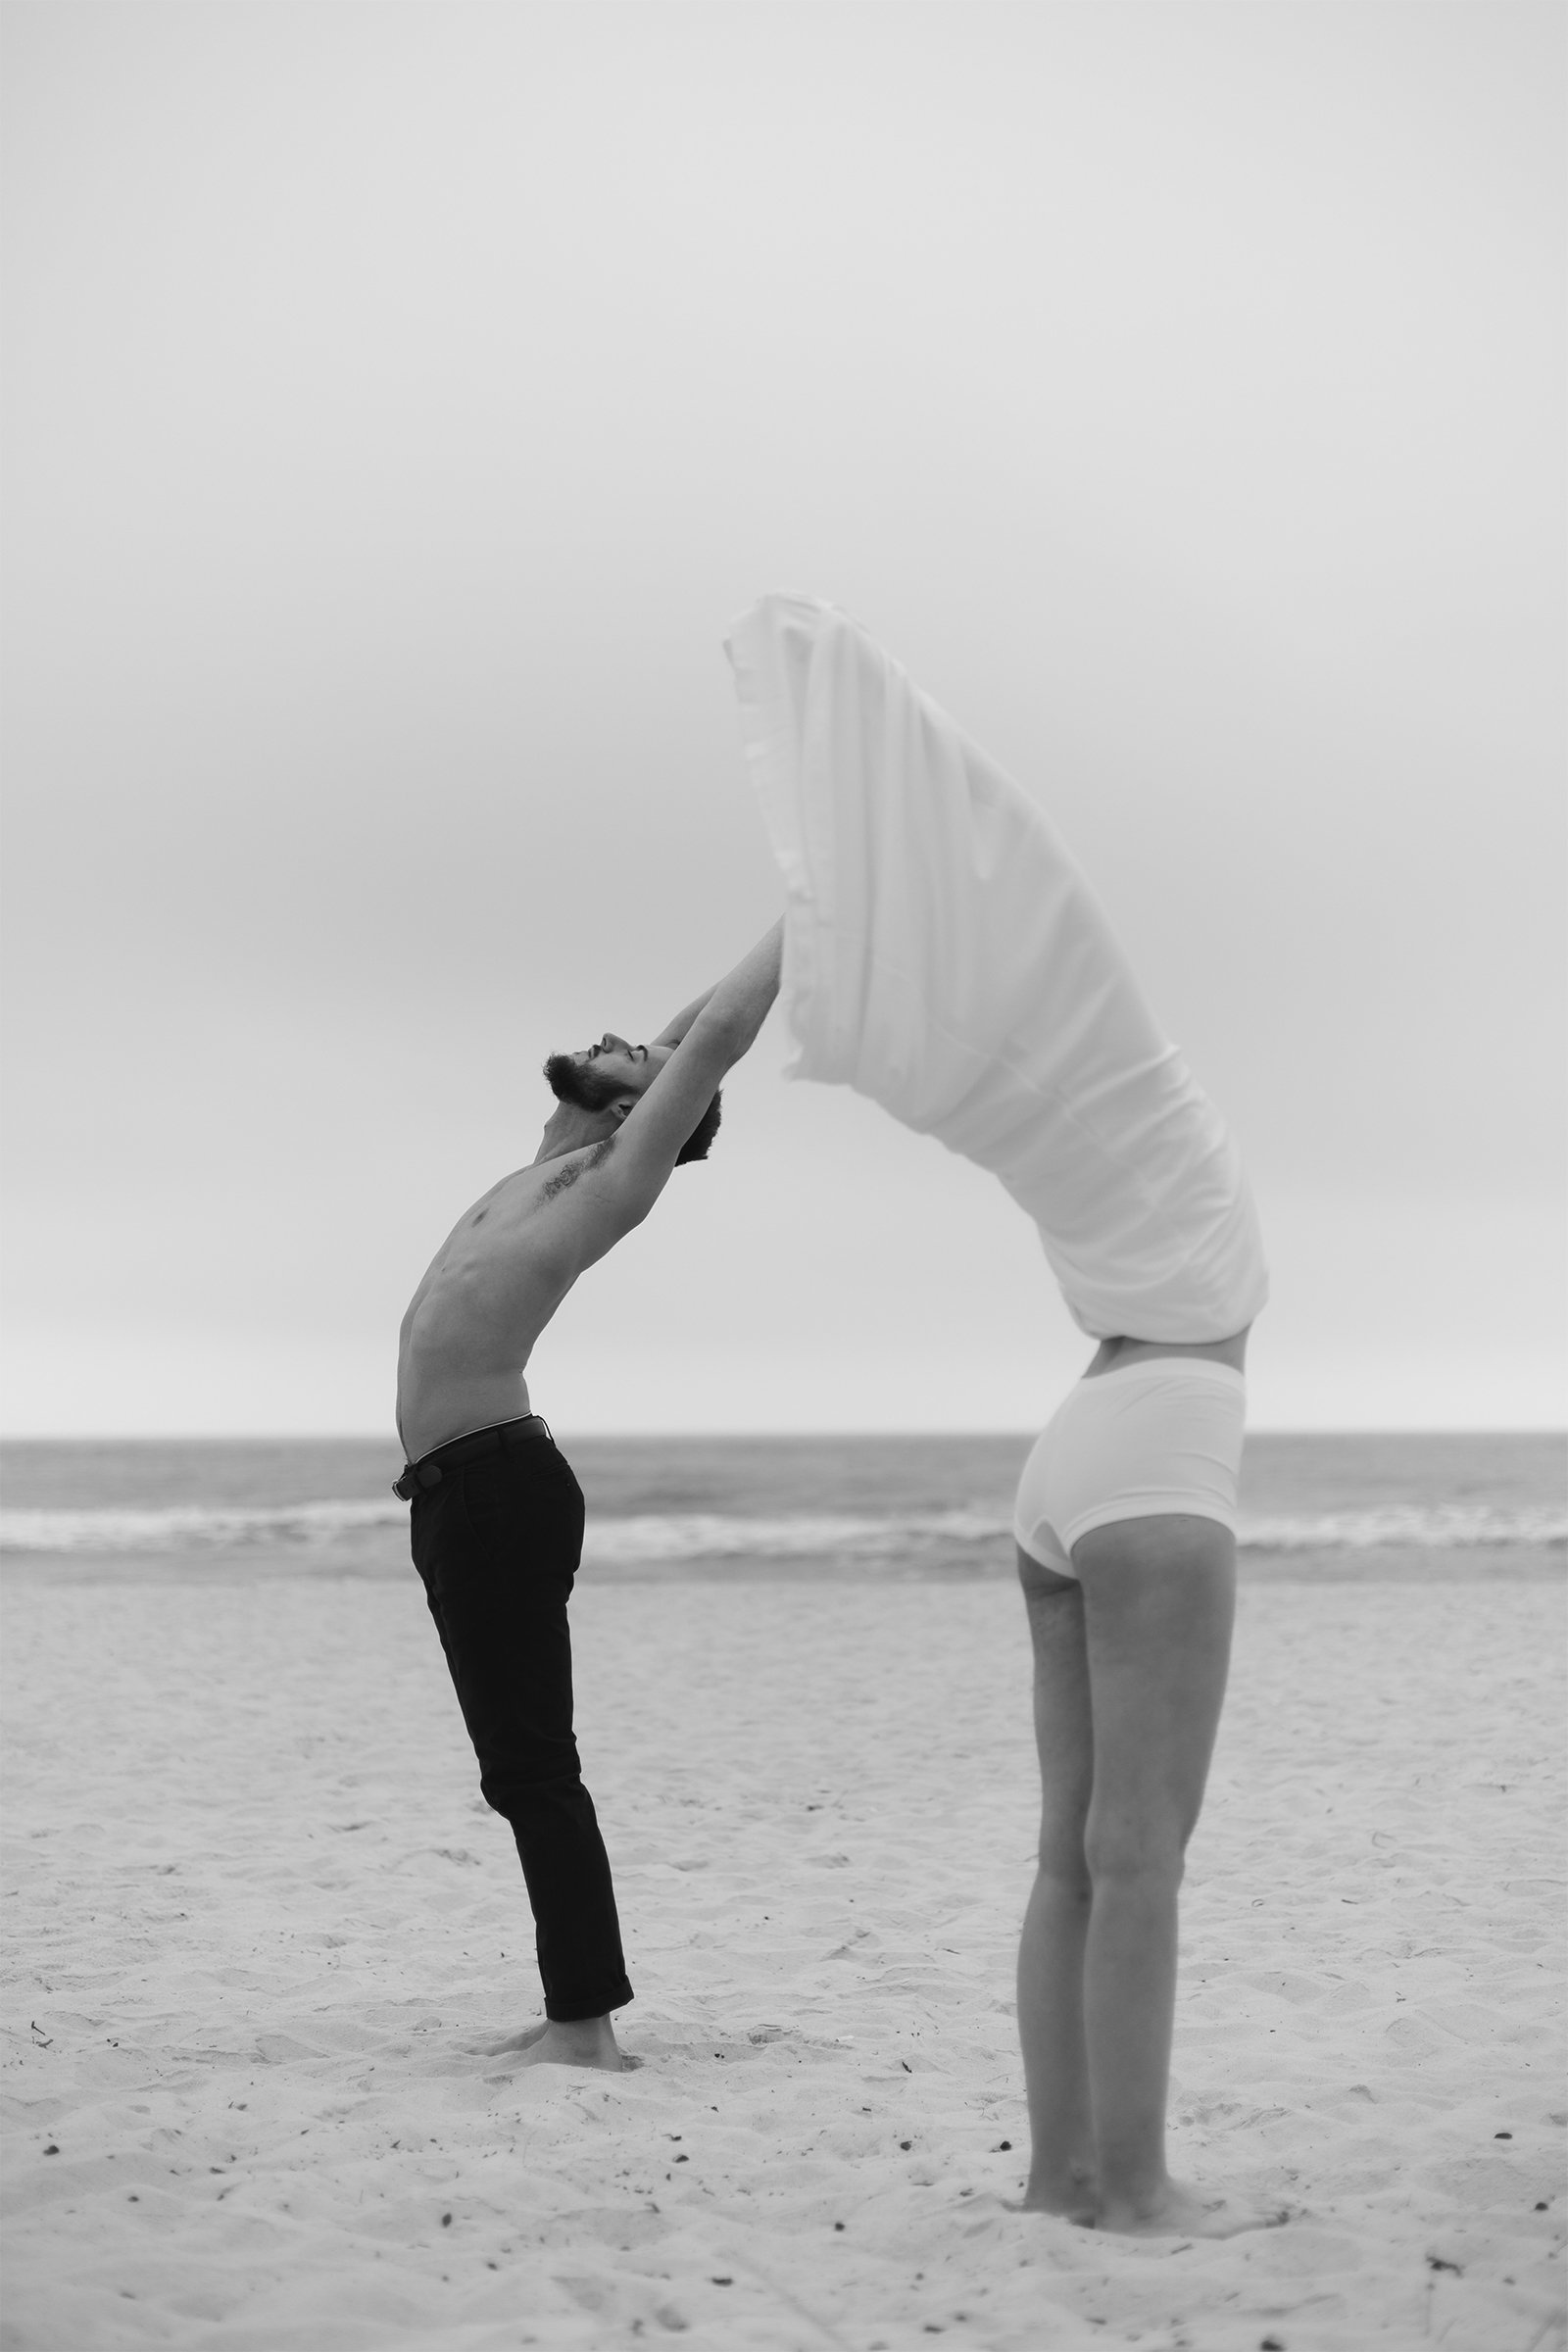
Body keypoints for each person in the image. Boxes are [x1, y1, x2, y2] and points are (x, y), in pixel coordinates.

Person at [725, 593, 1281, 2234]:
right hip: (1164, 1448)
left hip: (1072, 1455)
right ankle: (1136, 2185)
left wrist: (798, 924)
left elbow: (1010, 938)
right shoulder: (1150, 1126)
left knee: (1072, 1857)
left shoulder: (1103, 1153)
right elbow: (1037, 920)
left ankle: (1062, 2178)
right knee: (1143, 1858)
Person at [394, 921, 782, 2073]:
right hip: (459, 1487)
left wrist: (816, 904)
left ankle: (585, 2029)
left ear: (640, 1116)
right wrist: (673, 1042)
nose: (627, 1035)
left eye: (645, 1061)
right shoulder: (550, 1158)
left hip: (499, 1485)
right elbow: (682, 1031)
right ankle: (579, 2014)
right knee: (516, 1766)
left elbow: (713, 1037)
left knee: (528, 1766)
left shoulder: (614, 1177)